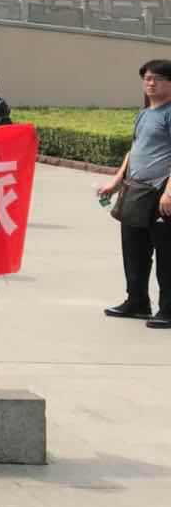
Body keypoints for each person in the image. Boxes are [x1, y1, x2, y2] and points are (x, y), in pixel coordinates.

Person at [98, 60, 171, 329]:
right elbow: (134, 149)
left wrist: (169, 193)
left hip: (162, 193)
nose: (150, 83)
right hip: (136, 191)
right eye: (147, 78)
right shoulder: (144, 114)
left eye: (157, 78)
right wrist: (117, 182)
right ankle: (138, 301)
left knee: (166, 255)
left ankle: (168, 309)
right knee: (134, 250)